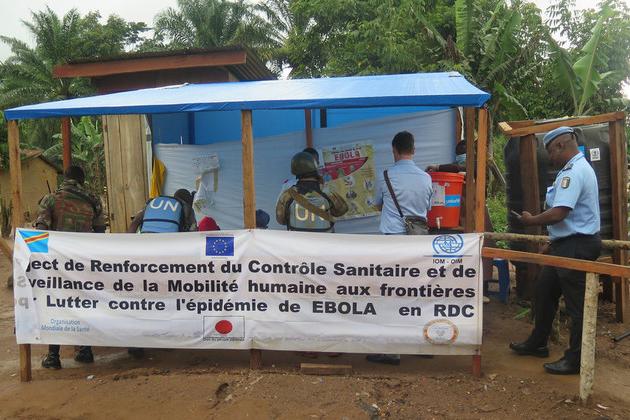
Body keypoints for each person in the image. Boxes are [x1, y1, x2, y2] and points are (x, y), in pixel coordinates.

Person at [510, 126, 601, 375]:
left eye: (551, 151)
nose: (550, 157)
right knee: (544, 290)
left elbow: (561, 212)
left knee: (576, 305)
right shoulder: (572, 170)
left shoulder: (574, 172)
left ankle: (576, 359)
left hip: (577, 246)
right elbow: (571, 218)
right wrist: (552, 242)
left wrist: (531, 220)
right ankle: (538, 342)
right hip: (566, 244)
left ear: (561, 145)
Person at [367, 130, 433, 365]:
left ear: (394, 150)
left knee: (391, 293)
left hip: (392, 243)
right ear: (413, 150)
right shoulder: (426, 178)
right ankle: (422, 343)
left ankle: (392, 349)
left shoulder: (386, 175)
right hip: (417, 242)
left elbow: (377, 204)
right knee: (417, 291)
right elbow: (427, 208)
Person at [34, 165, 106, 369]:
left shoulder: (50, 199)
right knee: (83, 303)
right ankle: (85, 351)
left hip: (57, 262)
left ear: (64, 178)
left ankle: (53, 357)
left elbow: (41, 229)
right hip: (84, 261)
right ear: (82, 180)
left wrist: (39, 259)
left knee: (55, 304)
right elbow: (100, 231)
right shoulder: (93, 201)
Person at [427, 140, 494, 303]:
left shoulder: (478, 166)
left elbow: (465, 168)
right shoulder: (456, 171)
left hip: (478, 214)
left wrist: (438, 166)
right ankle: (461, 288)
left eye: (464, 153)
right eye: (459, 153)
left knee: (482, 251)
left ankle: (482, 290)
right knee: (463, 254)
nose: (461, 157)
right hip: (462, 217)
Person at [276, 151, 348, 232]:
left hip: (298, 239)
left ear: (294, 171)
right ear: (315, 167)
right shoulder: (326, 191)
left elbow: (280, 220)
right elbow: (342, 210)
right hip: (325, 238)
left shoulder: (287, 195)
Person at [128, 189, 197, 233]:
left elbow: (135, 222)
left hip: (146, 238)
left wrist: (128, 244)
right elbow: (193, 232)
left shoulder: (154, 201)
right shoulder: (187, 208)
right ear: (189, 202)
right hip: (168, 242)